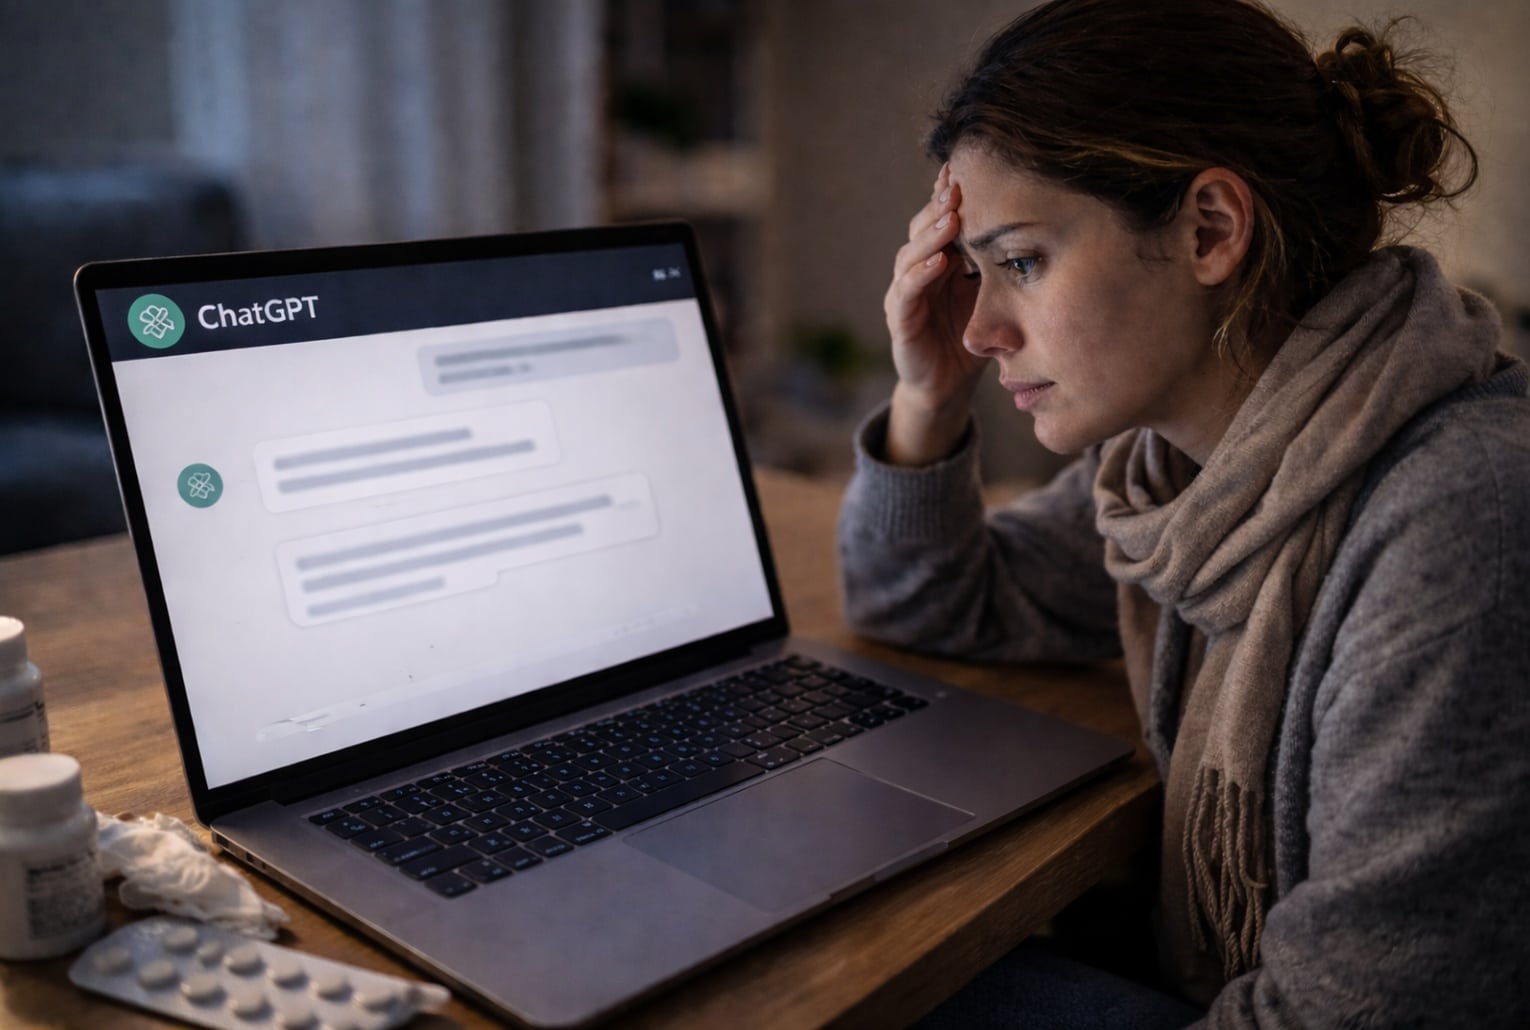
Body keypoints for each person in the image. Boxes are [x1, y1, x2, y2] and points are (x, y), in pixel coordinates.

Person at [836, 0, 1530, 1026]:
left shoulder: (1459, 523)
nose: (979, 328)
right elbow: (928, 599)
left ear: (1210, 229)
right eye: (972, 272)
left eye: (1019, 262)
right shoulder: (1177, 469)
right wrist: (929, 397)